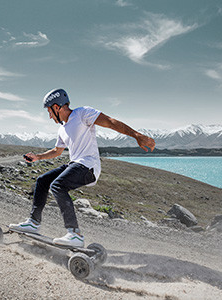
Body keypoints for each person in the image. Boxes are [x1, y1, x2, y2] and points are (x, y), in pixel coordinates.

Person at [9, 88, 156, 247]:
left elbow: (110, 122)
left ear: (57, 107)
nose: (49, 115)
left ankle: (74, 234)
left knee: (57, 186)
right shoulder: (62, 128)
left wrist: (137, 135)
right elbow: (57, 151)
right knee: (42, 180)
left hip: (88, 166)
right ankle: (33, 222)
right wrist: (38, 157)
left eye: (50, 111)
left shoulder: (82, 113)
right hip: (76, 164)